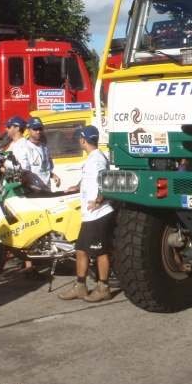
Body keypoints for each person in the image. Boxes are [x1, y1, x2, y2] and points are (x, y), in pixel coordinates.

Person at [59, 125, 115, 302]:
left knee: (100, 251)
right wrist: (78, 185)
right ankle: (81, 286)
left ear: (83, 139)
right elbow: (91, 178)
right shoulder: (92, 158)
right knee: (81, 250)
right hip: (89, 215)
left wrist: (98, 199)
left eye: (79, 138)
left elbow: (105, 179)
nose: (78, 141)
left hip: (99, 213)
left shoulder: (97, 158)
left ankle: (103, 287)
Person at [23, 117, 61, 191]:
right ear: (28, 130)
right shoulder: (24, 148)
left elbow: (43, 168)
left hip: (46, 189)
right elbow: (23, 172)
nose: (38, 131)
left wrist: (53, 176)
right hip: (34, 192)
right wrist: (30, 186)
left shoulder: (44, 147)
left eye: (40, 129)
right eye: (35, 129)